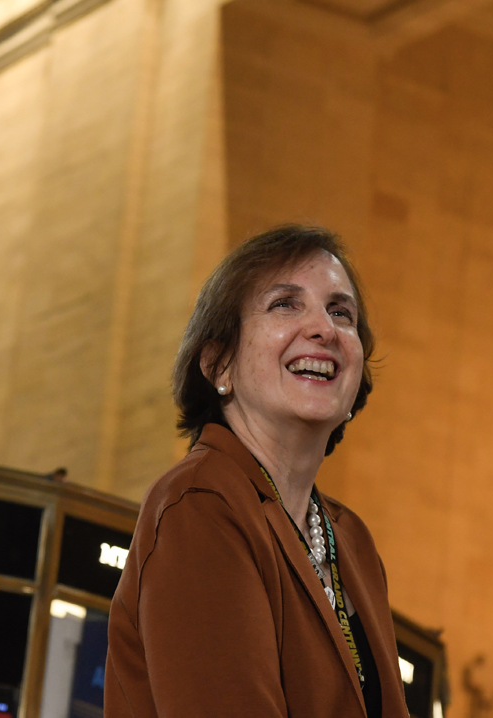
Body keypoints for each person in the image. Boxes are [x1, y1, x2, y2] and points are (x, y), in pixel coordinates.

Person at [105, 225, 408, 717]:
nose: (323, 329)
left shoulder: (351, 540)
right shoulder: (200, 504)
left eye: (340, 312)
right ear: (219, 364)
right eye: (285, 304)